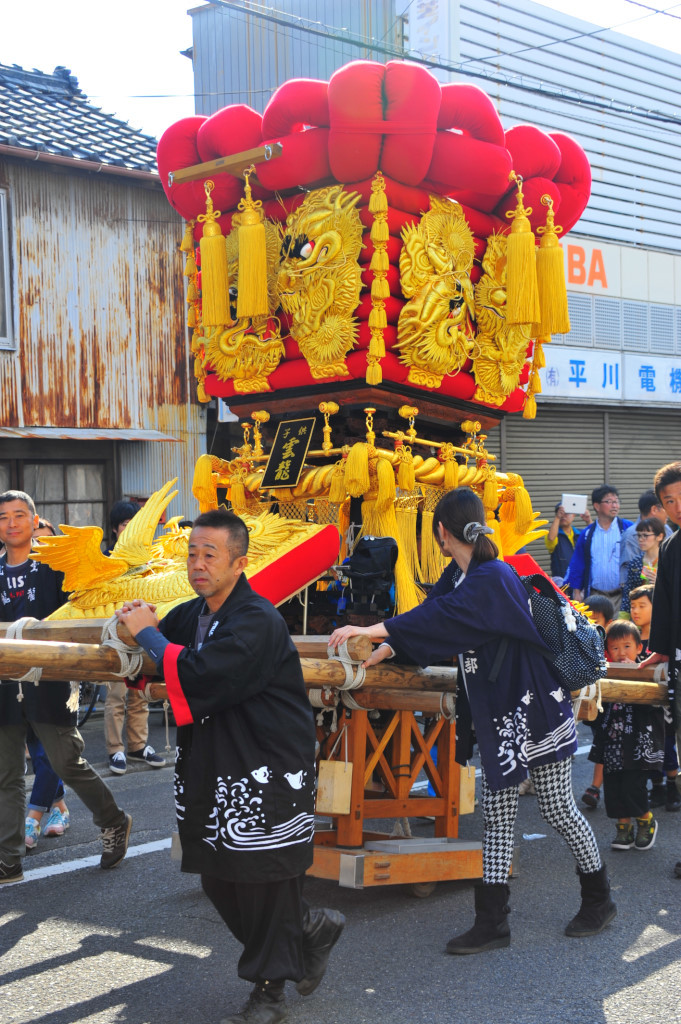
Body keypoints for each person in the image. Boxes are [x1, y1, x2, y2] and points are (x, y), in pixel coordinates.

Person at [329, 487, 616, 954]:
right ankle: (492, 922)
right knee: (498, 816)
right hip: (500, 713)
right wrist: (384, 647)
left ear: (443, 531)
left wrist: (370, 628)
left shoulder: (493, 575)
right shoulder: (459, 576)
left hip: (535, 709)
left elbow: (446, 615)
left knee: (557, 808)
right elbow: (429, 619)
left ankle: (599, 898)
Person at [116, 509, 344, 1024]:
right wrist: (133, 632)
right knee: (218, 876)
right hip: (216, 762)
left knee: (266, 878)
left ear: (239, 562)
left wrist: (148, 636)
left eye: (209, 555)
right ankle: (309, 928)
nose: (197, 564)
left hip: (264, 764)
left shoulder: (256, 618)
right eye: (192, 553)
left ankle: (269, 994)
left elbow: (195, 671)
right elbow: (159, 653)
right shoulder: (191, 613)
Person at [0, 490, 131, 884]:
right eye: (3, 516)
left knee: (65, 762)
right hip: (4, 682)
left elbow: (82, 610)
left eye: (19, 515)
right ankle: (9, 858)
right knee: (6, 774)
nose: (11, 523)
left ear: (34, 519)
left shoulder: (53, 567)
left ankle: (114, 820)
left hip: (50, 678)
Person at [589, 620, 664, 852]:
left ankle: (645, 820)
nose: (621, 653)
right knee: (614, 789)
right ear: (607, 651)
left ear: (639, 647)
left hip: (637, 744)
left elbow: (655, 706)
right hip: (612, 744)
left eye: (627, 646)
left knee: (634, 787)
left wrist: (635, 679)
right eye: (615, 648)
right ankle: (624, 829)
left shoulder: (647, 671)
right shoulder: (605, 673)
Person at [104, 500, 164, 775]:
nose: (130, 530)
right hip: (115, 636)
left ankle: (138, 746)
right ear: (116, 530)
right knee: (116, 695)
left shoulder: (150, 558)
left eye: (134, 525)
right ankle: (115, 749)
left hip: (142, 635)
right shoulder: (105, 561)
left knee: (139, 693)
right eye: (126, 525)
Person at [643, 462, 681, 875]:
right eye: (669, 501)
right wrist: (659, 651)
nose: (677, 506)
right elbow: (666, 608)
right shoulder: (671, 547)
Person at [24, 517, 71, 849]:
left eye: (47, 542)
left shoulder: (64, 575)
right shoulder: (12, 573)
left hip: (56, 667)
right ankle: (60, 808)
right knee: (34, 745)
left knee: (47, 750)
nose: (40, 547)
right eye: (34, 541)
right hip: (19, 670)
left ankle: (33, 817)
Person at [629, 584, 681, 813]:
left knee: (667, 745)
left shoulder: (666, 639)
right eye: (632, 606)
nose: (636, 611)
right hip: (641, 705)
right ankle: (657, 787)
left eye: (642, 605)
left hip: (663, 704)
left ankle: (672, 787)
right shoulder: (630, 635)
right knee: (646, 746)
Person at [564, 485, 633, 613]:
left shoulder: (627, 529)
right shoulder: (587, 534)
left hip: (622, 597)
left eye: (616, 501)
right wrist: (577, 591)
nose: (614, 505)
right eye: (609, 501)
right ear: (597, 506)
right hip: (595, 597)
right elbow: (578, 563)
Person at [619, 488, 672, 586]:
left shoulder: (667, 529)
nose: (669, 512)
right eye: (665, 507)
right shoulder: (631, 535)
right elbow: (626, 578)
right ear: (654, 509)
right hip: (641, 596)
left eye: (645, 536)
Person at [620, 517, 665, 617]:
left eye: (645, 535)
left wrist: (660, 583)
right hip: (639, 617)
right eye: (639, 535)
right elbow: (628, 594)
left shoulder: (668, 560)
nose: (641, 539)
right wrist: (623, 620)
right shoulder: (635, 562)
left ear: (660, 536)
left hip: (664, 615)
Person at [544, 501, 591, 581]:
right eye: (561, 513)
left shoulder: (579, 533)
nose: (563, 516)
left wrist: (588, 521)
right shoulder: (553, 534)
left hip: (580, 580)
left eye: (567, 513)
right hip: (562, 582)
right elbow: (551, 538)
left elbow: (594, 538)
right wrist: (557, 518)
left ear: (573, 515)